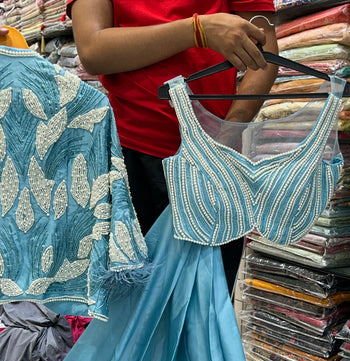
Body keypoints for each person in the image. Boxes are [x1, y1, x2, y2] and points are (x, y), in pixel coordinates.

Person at [66, 0, 279, 294]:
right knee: (132, 307)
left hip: (214, 161)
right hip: (130, 158)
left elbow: (264, 52)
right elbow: (92, 50)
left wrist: (231, 128)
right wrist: (197, 30)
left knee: (206, 311)